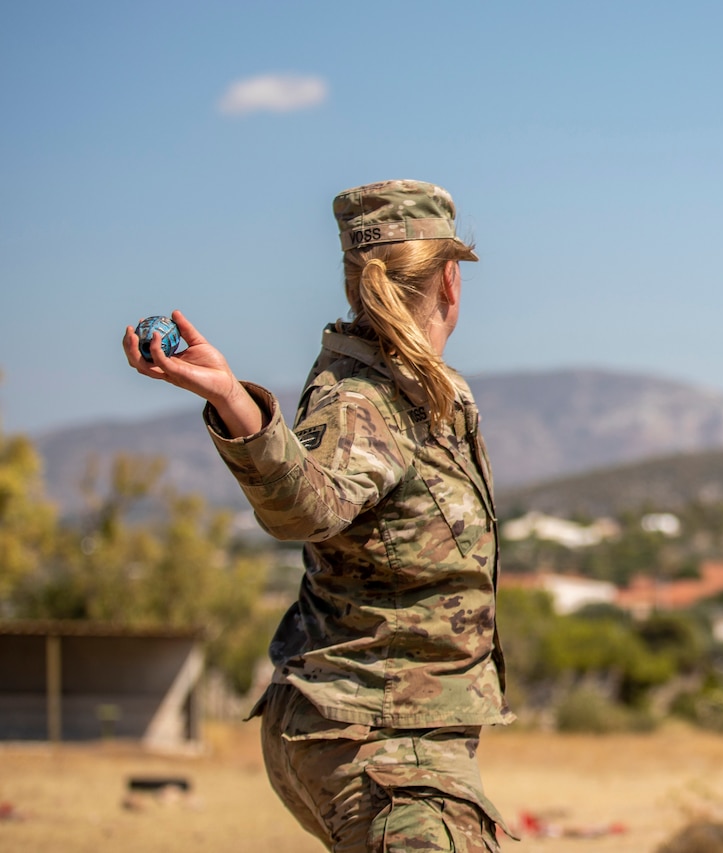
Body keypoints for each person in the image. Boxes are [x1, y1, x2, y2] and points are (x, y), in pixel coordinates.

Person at [122, 179, 514, 852]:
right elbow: (309, 506)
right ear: (451, 280)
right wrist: (233, 401)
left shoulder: (414, 390)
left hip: (381, 733)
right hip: (382, 745)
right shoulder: (368, 398)